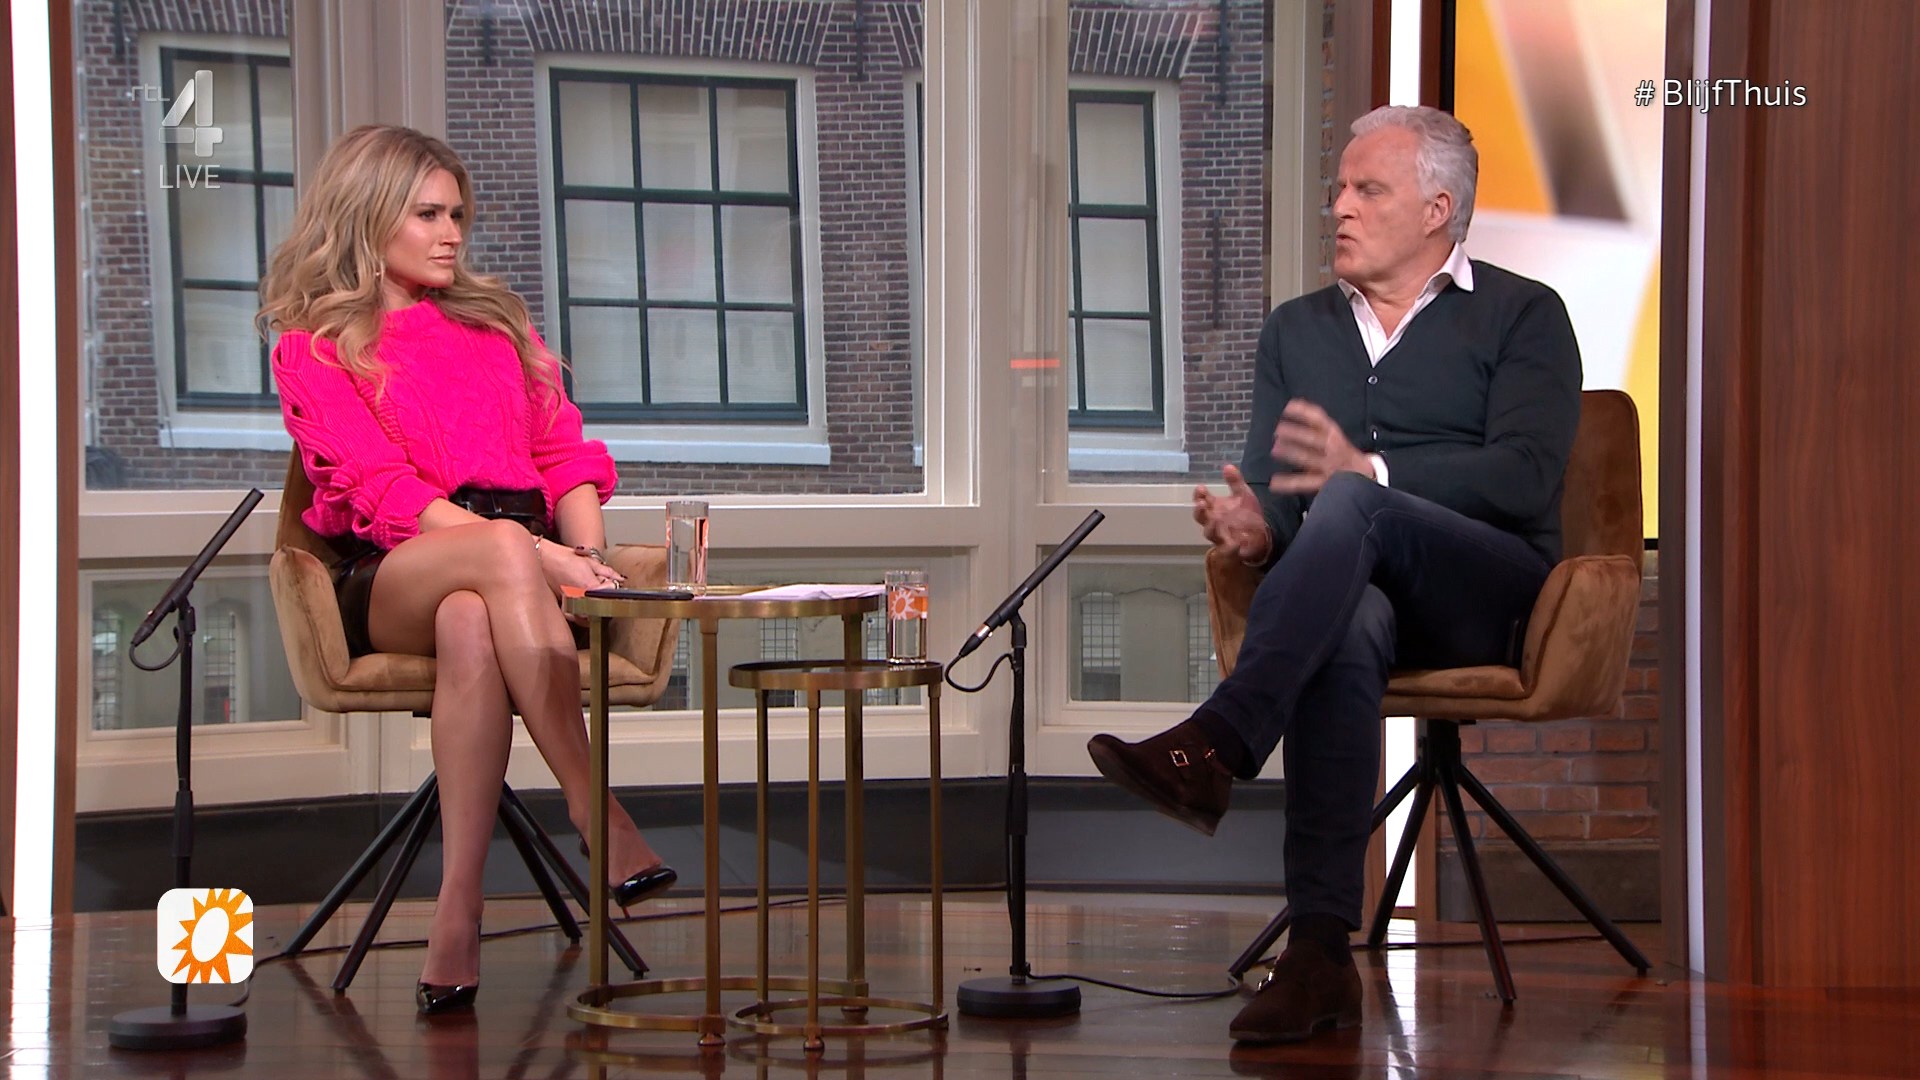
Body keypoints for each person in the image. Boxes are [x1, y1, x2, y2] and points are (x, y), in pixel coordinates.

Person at [1087, 106, 1582, 1044]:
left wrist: (1374, 474)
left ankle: (1218, 740)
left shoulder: (1524, 314)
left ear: (1437, 210)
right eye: (1339, 188)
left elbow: (1525, 475)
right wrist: (1255, 531)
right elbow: (1279, 494)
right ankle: (1318, 956)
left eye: (1367, 190)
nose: (1340, 207)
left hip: (1485, 590)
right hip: (1355, 593)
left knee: (1354, 499)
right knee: (1347, 623)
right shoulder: (1298, 330)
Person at [259, 125, 676, 1015]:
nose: (451, 234)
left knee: (471, 617)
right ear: (368, 216)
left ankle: (457, 911)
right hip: (395, 565)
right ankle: (594, 809)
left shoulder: (498, 327)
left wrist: (584, 555)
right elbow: (382, 491)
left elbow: (564, 458)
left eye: (457, 215)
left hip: (519, 576)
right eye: (428, 214)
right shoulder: (315, 346)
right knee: (492, 556)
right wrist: (538, 555)